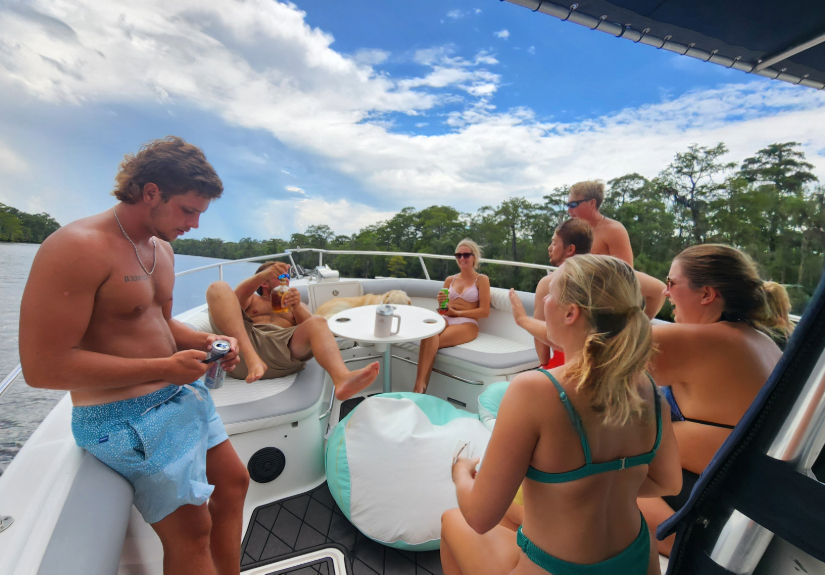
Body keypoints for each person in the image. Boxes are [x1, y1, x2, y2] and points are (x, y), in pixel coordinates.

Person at [19, 137, 250, 575]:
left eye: (200, 213)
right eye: (187, 210)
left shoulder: (162, 249)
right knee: (193, 531)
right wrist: (163, 368)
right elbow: (42, 368)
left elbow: (161, 323)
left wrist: (208, 342)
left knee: (235, 483)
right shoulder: (77, 248)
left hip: (181, 396)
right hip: (123, 419)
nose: (195, 224)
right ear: (150, 193)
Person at [441, 255, 681, 575]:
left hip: (557, 568)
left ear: (571, 312)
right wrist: (600, 485)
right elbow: (669, 483)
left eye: (550, 293)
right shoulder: (649, 391)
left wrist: (460, 473)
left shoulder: (535, 391)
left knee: (452, 520)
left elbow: (479, 517)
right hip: (637, 560)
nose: (544, 301)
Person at [638, 244, 792, 557]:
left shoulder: (692, 342)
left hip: (696, 519)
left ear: (707, 294)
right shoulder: (761, 340)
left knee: (585, 477)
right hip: (743, 507)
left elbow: (585, 364)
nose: (666, 292)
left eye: (671, 283)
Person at [205, 262, 379, 399]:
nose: (286, 279)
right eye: (280, 276)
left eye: (287, 276)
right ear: (264, 282)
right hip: (243, 352)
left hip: (282, 353)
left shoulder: (296, 304)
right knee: (217, 287)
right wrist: (263, 274)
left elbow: (312, 332)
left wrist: (296, 307)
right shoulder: (252, 300)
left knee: (318, 322)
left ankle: (342, 378)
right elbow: (234, 300)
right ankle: (253, 359)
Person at [510, 218, 666, 367]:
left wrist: (544, 366)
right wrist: (638, 323)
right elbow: (659, 291)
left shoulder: (548, 283)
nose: (550, 248)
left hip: (568, 363)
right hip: (609, 359)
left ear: (570, 249)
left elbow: (544, 338)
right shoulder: (611, 273)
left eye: (554, 243)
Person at [414, 239, 491, 394]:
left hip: (467, 322)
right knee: (429, 334)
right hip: (447, 317)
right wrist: (442, 304)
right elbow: (442, 310)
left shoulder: (481, 280)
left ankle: (419, 387)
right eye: (458, 255)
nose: (462, 258)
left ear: (474, 257)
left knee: (431, 342)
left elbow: (484, 311)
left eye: (466, 255)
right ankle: (420, 385)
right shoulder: (450, 280)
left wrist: (458, 313)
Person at [567, 180, 634, 266]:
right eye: (568, 205)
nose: (569, 210)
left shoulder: (613, 230)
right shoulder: (573, 231)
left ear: (592, 203)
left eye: (573, 204)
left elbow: (626, 271)